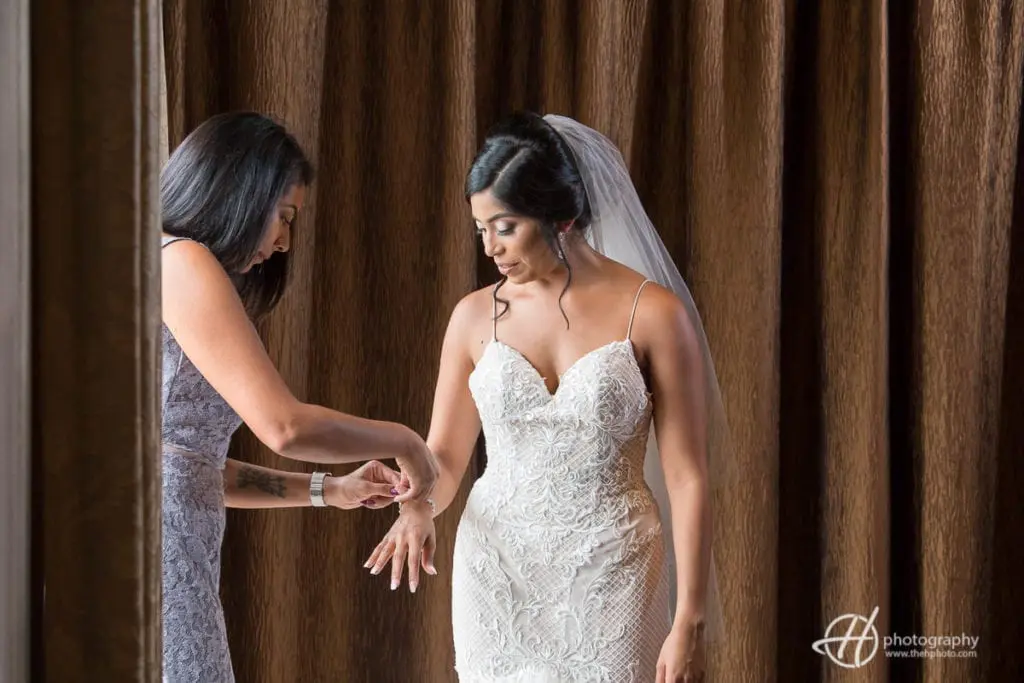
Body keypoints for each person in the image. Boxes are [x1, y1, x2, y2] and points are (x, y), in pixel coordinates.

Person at [364, 112, 728, 683]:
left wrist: (690, 620)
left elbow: (687, 476)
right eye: (480, 228)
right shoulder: (471, 317)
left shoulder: (655, 313)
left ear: (561, 215)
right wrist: (417, 508)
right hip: (497, 570)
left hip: (616, 566)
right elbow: (448, 459)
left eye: (504, 226)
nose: (489, 248)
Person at [159, 111, 439, 682]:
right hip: (161, 556)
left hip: (171, 546)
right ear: (236, 190)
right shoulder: (182, 260)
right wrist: (406, 440)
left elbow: (186, 469)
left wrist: (326, 490)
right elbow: (284, 427)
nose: (285, 241)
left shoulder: (163, 262)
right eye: (282, 216)